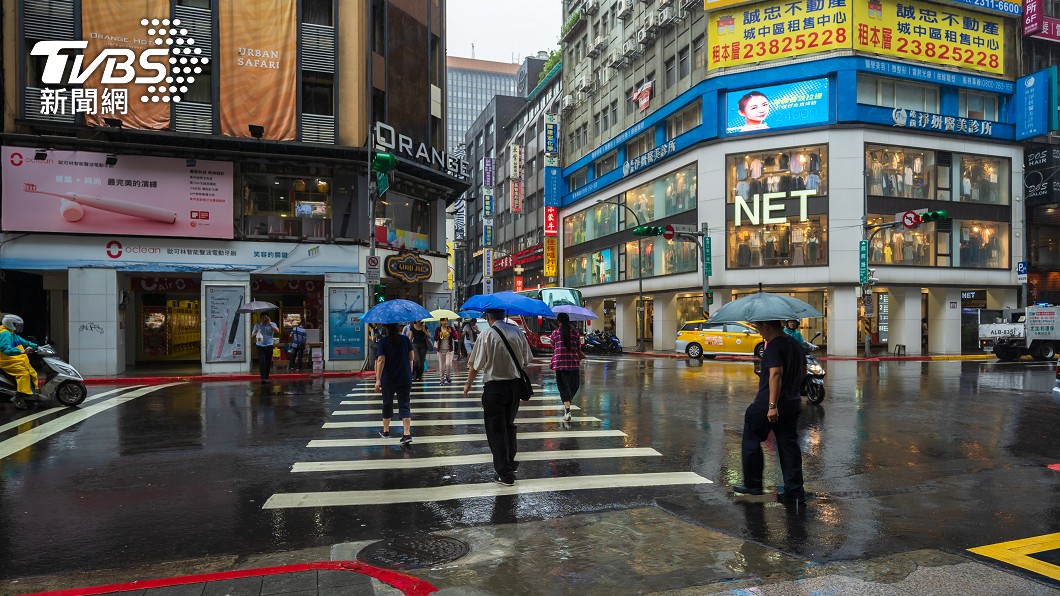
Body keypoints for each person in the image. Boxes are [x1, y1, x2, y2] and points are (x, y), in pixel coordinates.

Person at [734, 320, 806, 505]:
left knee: (751, 436)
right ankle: (794, 491)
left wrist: (772, 405)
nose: (760, 333)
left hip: (768, 404)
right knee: (788, 446)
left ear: (767, 326)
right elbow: (803, 372)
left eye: (759, 328)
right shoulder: (796, 345)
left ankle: (753, 484)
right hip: (792, 403)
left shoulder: (774, 346)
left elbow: (776, 373)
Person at [464, 308, 532, 486]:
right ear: (503, 316)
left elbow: (475, 364)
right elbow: (526, 360)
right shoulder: (517, 332)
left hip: (494, 388)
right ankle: (509, 463)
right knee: (509, 426)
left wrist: (468, 384)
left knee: (496, 430)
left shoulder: (486, 335)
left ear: (488, 317)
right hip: (515, 387)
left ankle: (505, 473)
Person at [375, 322, 415, 445]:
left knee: (387, 403)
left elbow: (381, 360)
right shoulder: (405, 340)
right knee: (404, 404)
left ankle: (386, 431)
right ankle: (406, 433)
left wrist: (377, 380)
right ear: (398, 328)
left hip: (388, 378)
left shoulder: (383, 342)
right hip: (404, 377)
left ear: (386, 328)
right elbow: (411, 357)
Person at [550, 313, 584, 422]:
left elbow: (552, 345)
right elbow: (579, 347)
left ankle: (567, 407)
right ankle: (567, 405)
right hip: (573, 363)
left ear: (558, 321)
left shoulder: (555, 333)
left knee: (563, 387)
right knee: (574, 386)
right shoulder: (575, 333)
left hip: (560, 363)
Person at [0, 314, 39, 400]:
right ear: (11, 324)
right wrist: (21, 351)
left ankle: (30, 394)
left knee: (30, 371)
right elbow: (6, 349)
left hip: (15, 359)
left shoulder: (11, 333)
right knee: (24, 373)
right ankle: (20, 396)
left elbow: (24, 342)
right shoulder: (5, 334)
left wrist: (38, 346)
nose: (19, 327)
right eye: (17, 325)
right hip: (7, 361)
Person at [251, 313, 280, 383]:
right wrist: (257, 332)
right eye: (263, 318)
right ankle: (263, 378)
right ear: (261, 318)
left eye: (266, 318)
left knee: (268, 362)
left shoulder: (272, 324)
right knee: (262, 362)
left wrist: (270, 324)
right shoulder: (257, 325)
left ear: (269, 318)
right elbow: (251, 336)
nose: (265, 319)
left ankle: (266, 377)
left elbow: (277, 331)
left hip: (269, 346)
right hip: (260, 346)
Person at [434, 317, 458, 385]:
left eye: (445, 320)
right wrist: (439, 335)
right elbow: (435, 338)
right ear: (440, 322)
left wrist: (450, 333)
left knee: (448, 364)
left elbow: (455, 337)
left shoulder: (450, 328)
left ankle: (448, 376)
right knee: (441, 366)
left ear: (447, 321)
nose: (444, 322)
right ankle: (441, 379)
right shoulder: (438, 329)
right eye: (443, 321)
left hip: (449, 350)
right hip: (440, 350)